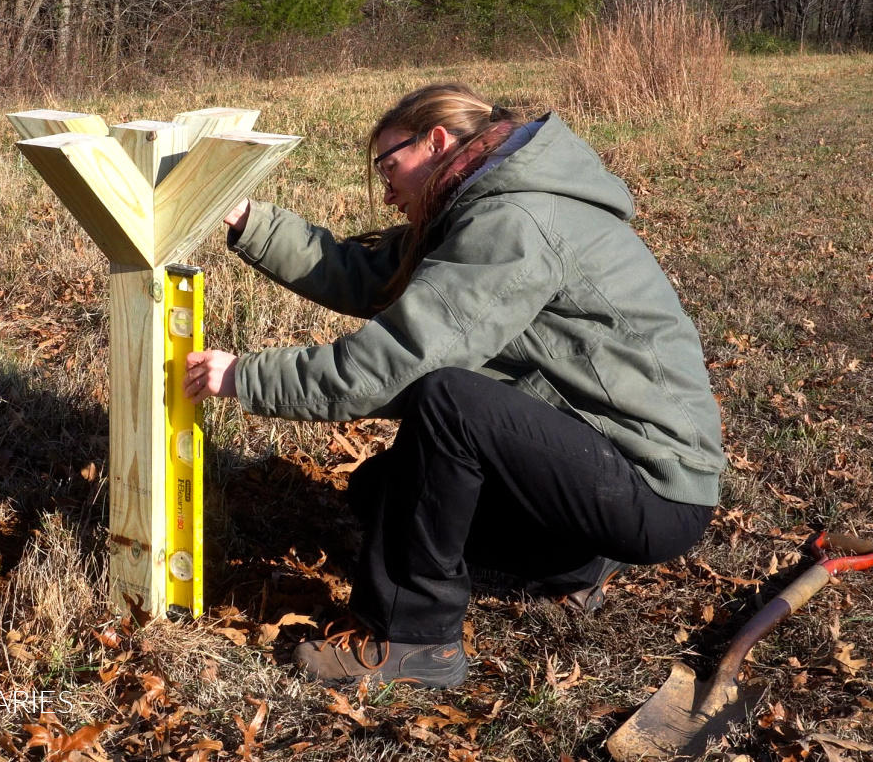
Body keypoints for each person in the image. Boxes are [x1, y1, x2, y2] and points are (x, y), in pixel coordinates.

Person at [183, 82, 725, 689]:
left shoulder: (514, 222)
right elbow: (366, 273)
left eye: (389, 166)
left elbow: (399, 363)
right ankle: (573, 559)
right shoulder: (480, 207)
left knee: (447, 399)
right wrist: (246, 218)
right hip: (596, 461)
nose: (386, 190)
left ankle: (415, 640)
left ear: (436, 142)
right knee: (381, 493)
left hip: (651, 487)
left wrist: (244, 376)